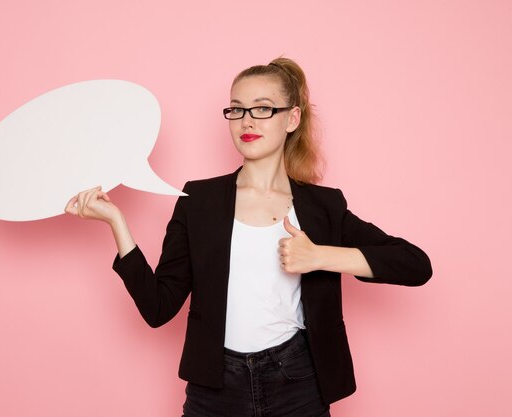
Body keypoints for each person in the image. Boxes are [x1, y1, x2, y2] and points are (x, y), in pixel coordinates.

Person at [64, 57, 432, 417]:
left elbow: (415, 265)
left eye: (262, 109)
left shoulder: (323, 206)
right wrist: (117, 223)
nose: (246, 121)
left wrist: (320, 256)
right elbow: (159, 309)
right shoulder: (198, 201)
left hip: (299, 382)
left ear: (292, 118)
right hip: (215, 387)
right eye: (237, 110)